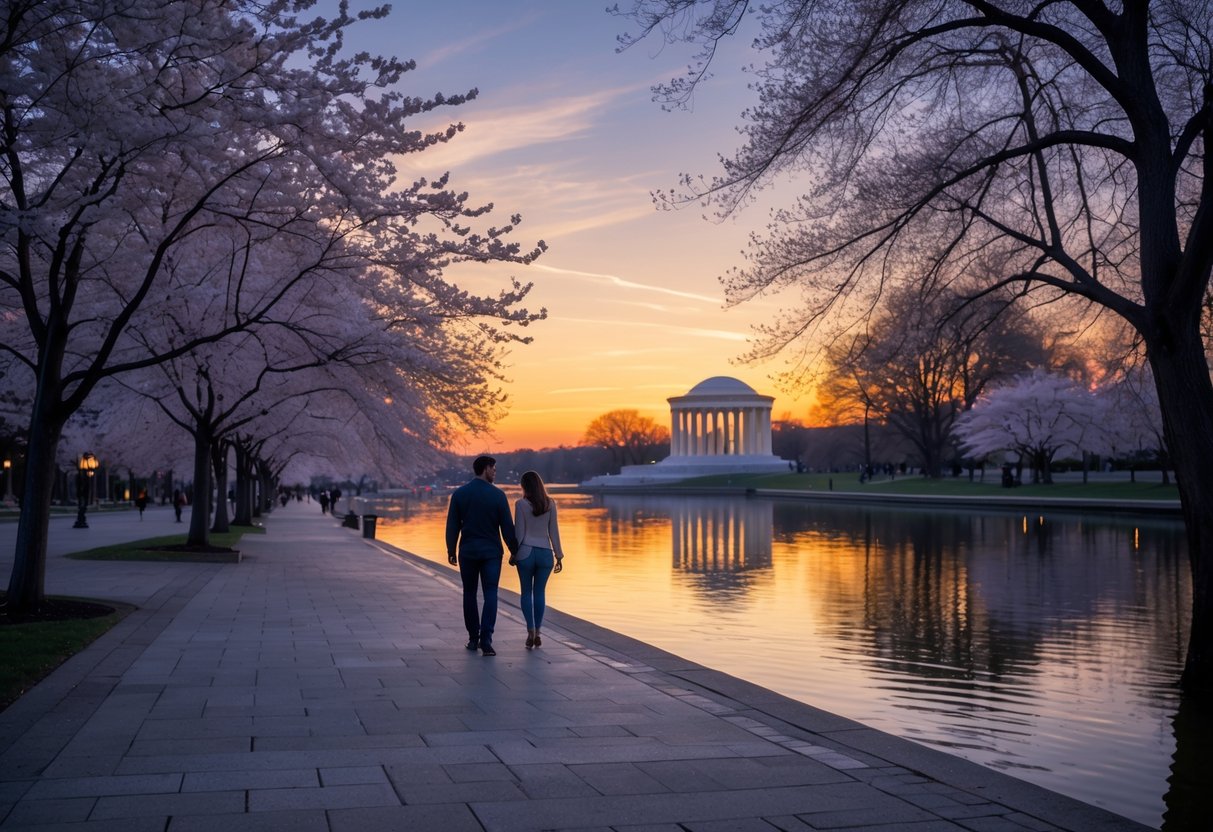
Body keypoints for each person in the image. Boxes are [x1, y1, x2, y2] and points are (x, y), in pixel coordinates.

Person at [445, 455, 518, 656]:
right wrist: (515, 551)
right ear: (485, 469)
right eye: (493, 468)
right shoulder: (498, 496)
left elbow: (452, 525)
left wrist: (451, 549)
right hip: (491, 553)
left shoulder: (459, 494)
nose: (495, 472)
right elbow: (507, 529)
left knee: (469, 594)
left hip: (467, 551)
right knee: (491, 594)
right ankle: (486, 639)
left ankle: (472, 638)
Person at [509, 470, 564, 649]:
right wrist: (559, 555)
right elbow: (553, 532)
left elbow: (519, 533)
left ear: (524, 486)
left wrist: (513, 554)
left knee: (526, 592)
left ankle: (530, 631)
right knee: (540, 593)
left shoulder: (521, 504)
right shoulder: (551, 504)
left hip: (525, 552)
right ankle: (539, 632)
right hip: (545, 553)